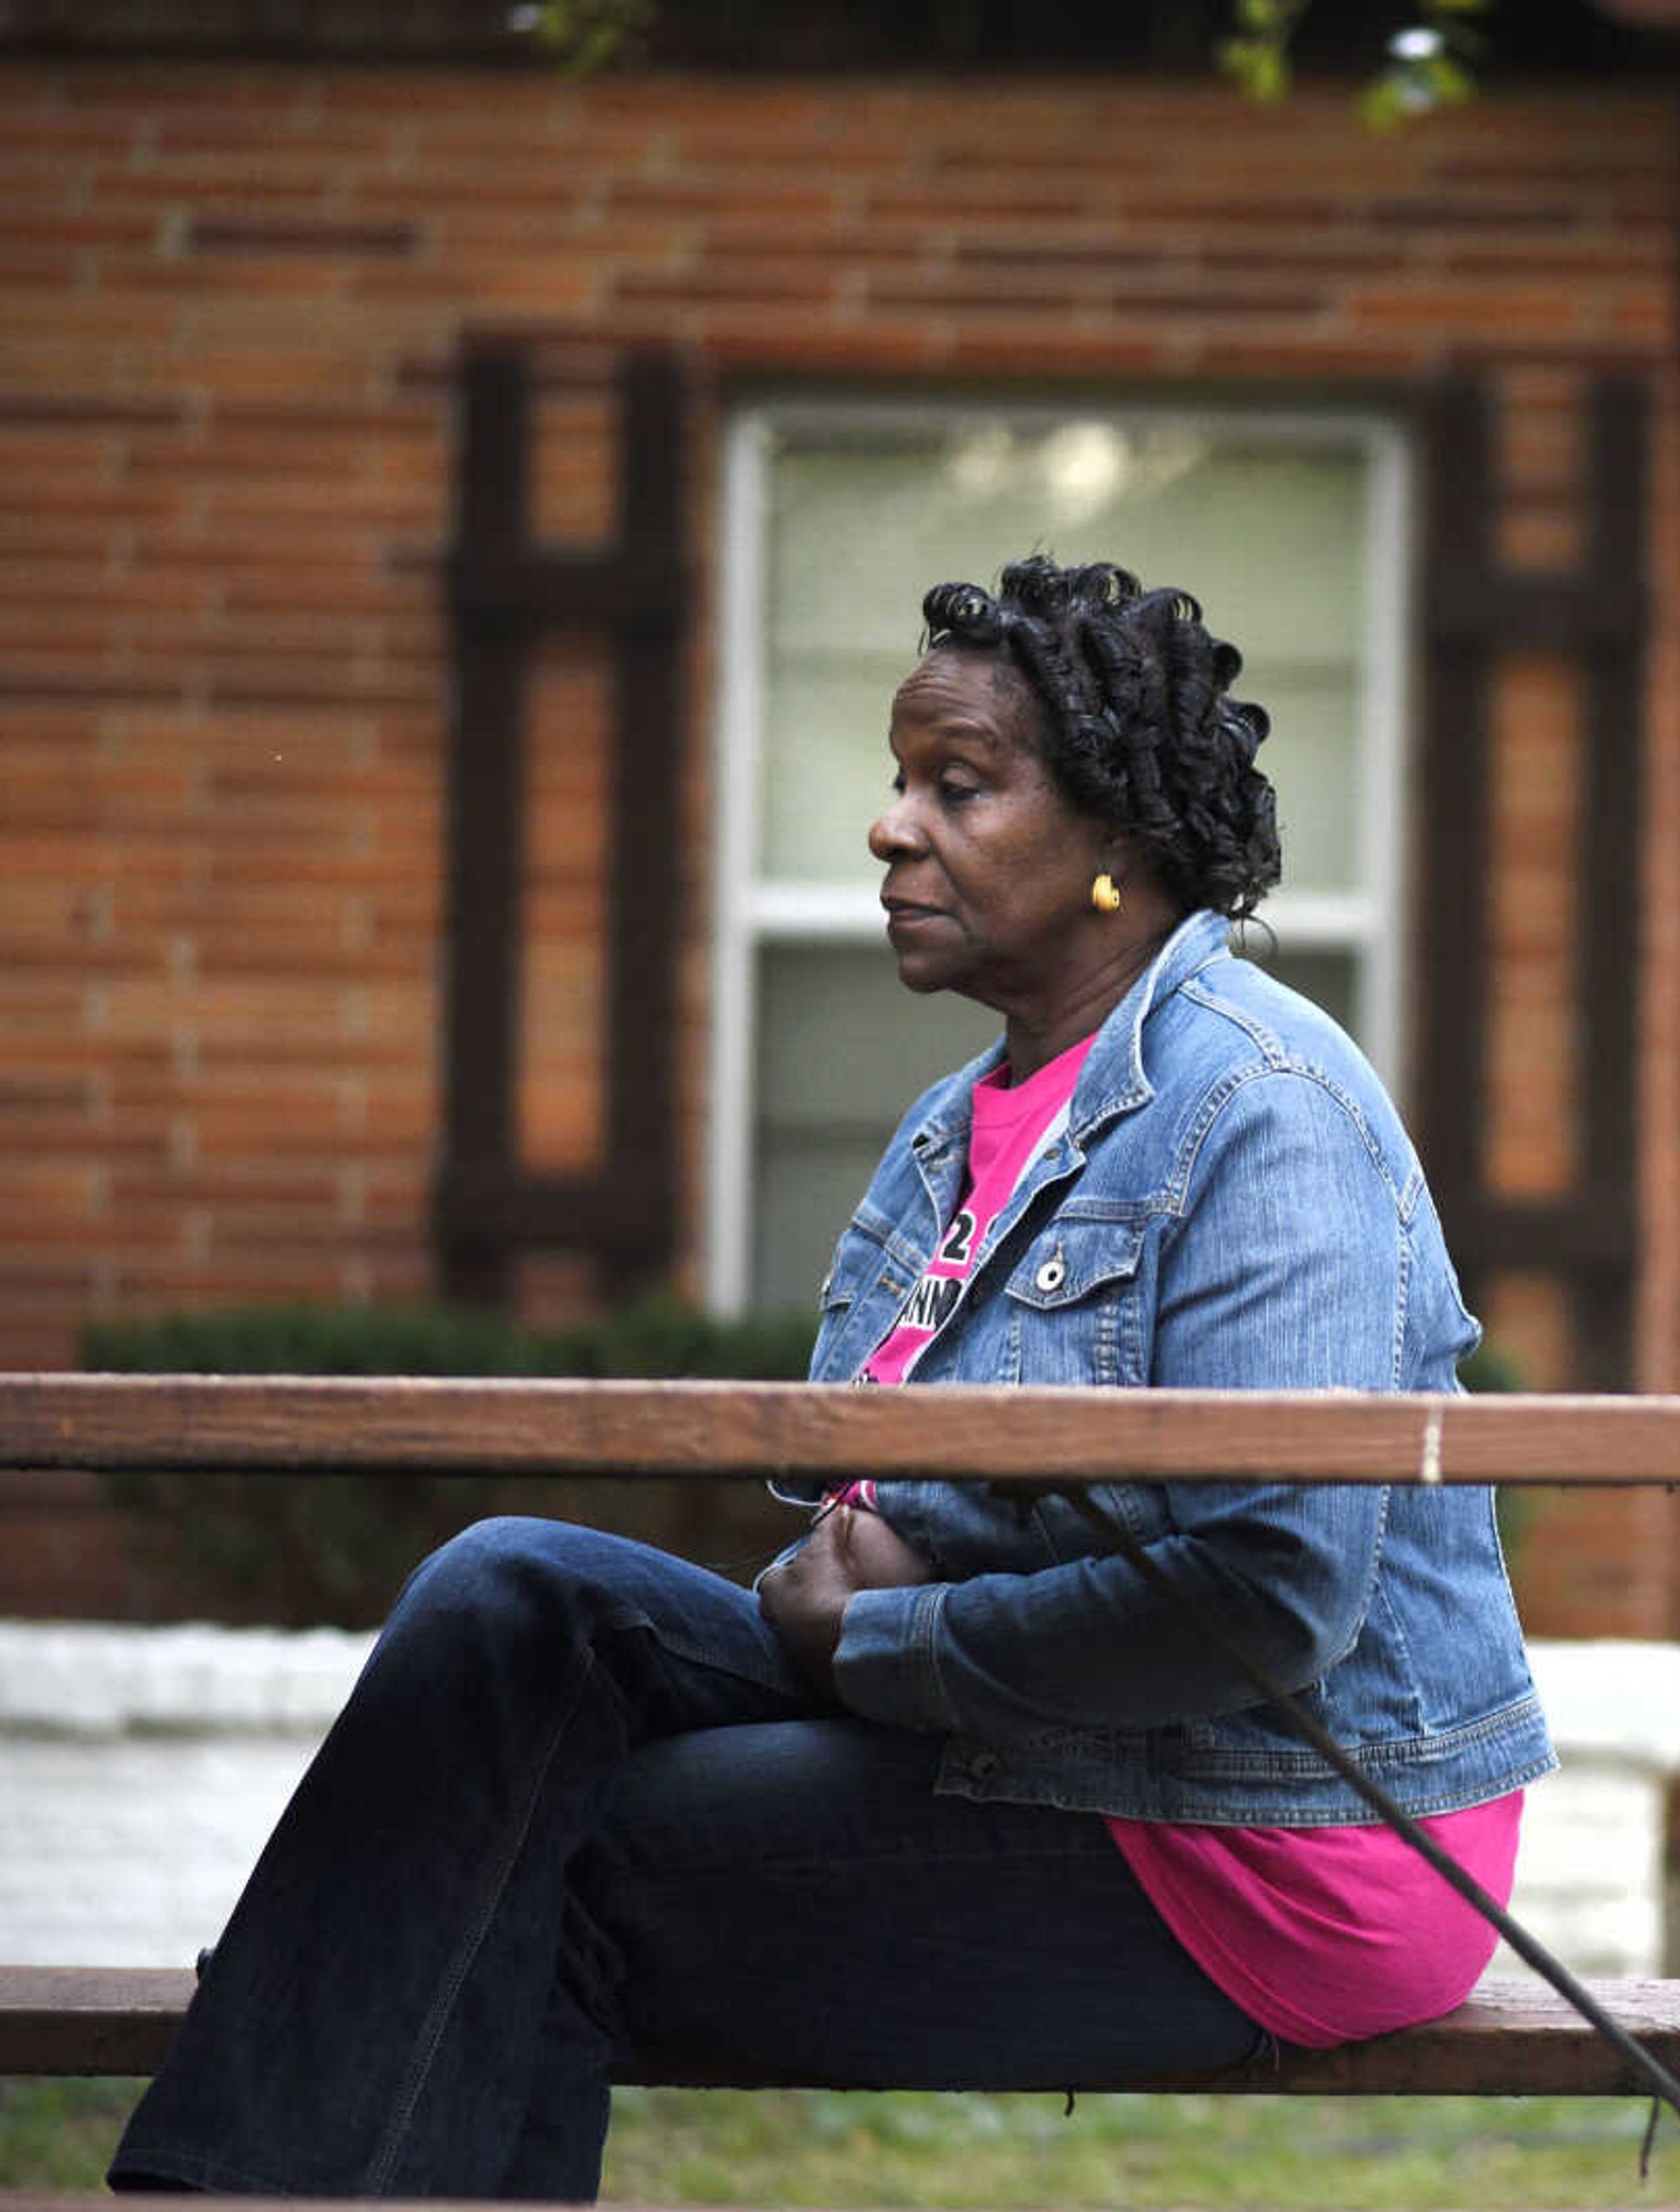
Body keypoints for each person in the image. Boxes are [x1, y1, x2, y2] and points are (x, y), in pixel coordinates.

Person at [110, 555, 1550, 2198]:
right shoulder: (961, 1125)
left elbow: (1271, 1593)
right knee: (513, 1595)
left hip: (1277, 1837)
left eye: (959, 785)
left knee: (548, 1854)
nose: (890, 827)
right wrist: (881, 1577)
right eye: (898, 780)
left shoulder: (1264, 1107)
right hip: (1034, 1725)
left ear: (1116, 843)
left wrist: (893, 1633)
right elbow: (893, 1492)